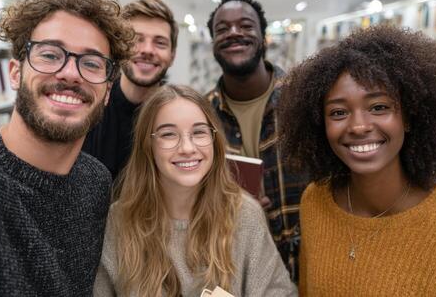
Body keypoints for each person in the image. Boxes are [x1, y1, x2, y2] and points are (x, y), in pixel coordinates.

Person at [0, 0, 134, 296]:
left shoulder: (96, 181)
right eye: (50, 55)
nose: (70, 73)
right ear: (15, 72)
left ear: (107, 92)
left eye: (91, 63)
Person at [278, 25, 436, 296]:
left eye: (379, 107)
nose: (359, 126)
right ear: (319, 125)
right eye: (338, 112)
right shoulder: (315, 201)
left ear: (409, 116)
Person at [93, 85, 296, 297]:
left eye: (199, 132)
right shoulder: (119, 221)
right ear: (148, 145)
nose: (187, 148)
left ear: (214, 141)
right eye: (169, 134)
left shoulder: (245, 215)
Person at [205, 0, 306, 280]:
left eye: (246, 26)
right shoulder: (201, 116)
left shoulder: (304, 99)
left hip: (309, 267)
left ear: (263, 36)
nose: (234, 33)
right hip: (236, 268)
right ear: (213, 42)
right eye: (222, 29)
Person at [83, 0, 177, 185]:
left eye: (160, 43)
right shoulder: (89, 106)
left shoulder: (178, 115)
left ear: (172, 56)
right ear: (119, 48)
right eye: (136, 39)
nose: (147, 50)